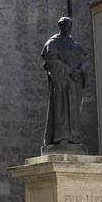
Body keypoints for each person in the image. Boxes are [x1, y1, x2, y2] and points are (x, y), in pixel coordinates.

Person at [41, 16, 87, 148]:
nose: (69, 29)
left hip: (74, 82)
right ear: (61, 27)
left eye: (70, 27)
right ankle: (61, 137)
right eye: (67, 26)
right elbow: (50, 62)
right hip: (61, 81)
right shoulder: (52, 43)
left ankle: (74, 137)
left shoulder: (76, 45)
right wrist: (69, 70)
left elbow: (84, 61)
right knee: (61, 108)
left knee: (74, 110)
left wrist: (80, 71)